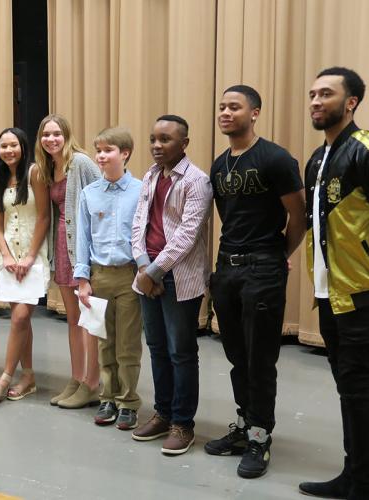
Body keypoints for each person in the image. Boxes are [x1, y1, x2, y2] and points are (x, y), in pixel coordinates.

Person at [205, 86, 306, 478]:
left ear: (255, 113)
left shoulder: (275, 158)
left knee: (260, 358)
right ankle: (245, 425)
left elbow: (298, 216)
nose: (226, 112)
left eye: (235, 107)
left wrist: (279, 255)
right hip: (227, 268)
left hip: (263, 269)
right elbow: (228, 217)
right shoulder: (219, 165)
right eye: (222, 107)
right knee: (236, 355)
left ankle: (260, 437)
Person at [298, 67, 369, 500]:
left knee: (360, 388)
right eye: (312, 94)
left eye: (326, 94)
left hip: (361, 294)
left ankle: (360, 481)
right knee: (350, 388)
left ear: (351, 102)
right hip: (329, 294)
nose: (315, 101)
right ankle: (355, 474)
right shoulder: (317, 159)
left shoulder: (363, 151)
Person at [130, 116, 213, 455]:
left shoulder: (197, 181)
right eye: (153, 139)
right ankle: (163, 413)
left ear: (184, 143)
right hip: (147, 275)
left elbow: (186, 236)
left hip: (178, 278)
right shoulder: (150, 176)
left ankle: (183, 423)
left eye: (165, 139)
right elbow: (138, 224)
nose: (156, 145)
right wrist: (142, 267)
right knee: (157, 347)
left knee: (181, 352)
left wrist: (153, 271)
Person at [74, 126, 143, 429]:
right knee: (104, 342)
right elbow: (82, 237)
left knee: (127, 344)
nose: (101, 156)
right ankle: (108, 397)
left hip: (129, 276)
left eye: (108, 150)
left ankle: (128, 401)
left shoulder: (141, 190)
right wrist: (83, 279)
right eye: (98, 151)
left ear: (125, 153)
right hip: (99, 276)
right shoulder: (89, 194)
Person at [34, 114, 102, 409]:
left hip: (82, 248)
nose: (51, 139)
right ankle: (76, 378)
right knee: (73, 319)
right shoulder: (50, 167)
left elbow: (102, 198)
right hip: (62, 247)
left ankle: (93, 383)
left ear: (67, 135)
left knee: (89, 320)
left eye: (56, 133)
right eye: (46, 134)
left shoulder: (81, 163)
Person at [0, 128, 50, 405]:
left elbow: (44, 217)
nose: (8, 151)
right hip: (9, 258)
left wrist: (30, 257)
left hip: (33, 257)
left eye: (13, 145)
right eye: (3, 146)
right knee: (21, 321)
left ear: (23, 146)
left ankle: (5, 378)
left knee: (20, 318)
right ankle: (28, 375)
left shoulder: (35, 173)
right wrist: (7, 256)